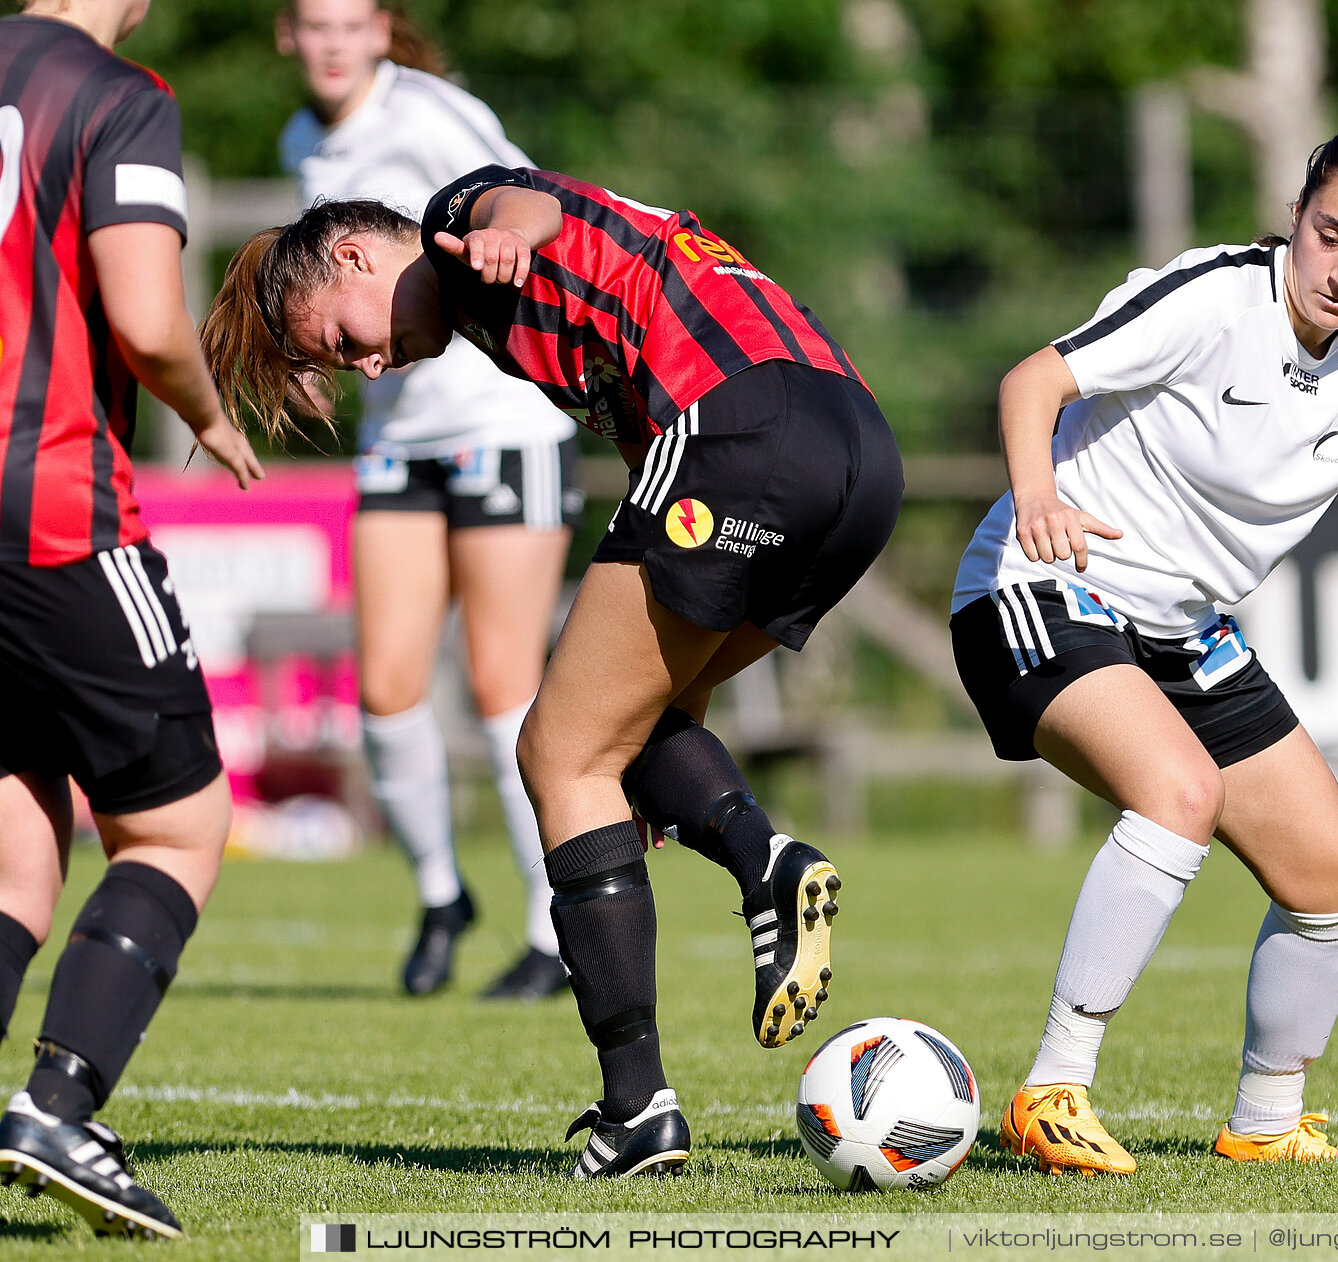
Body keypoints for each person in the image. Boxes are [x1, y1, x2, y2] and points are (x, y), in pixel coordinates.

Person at [201, 164, 901, 1177]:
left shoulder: (455, 230)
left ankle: (641, 1102)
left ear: (357, 255)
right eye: (347, 367)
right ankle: (765, 867)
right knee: (625, 735)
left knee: (555, 751)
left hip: (737, 424)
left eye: (348, 341)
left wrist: (506, 238)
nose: (371, 370)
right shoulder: (505, 333)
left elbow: (522, 207)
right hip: (858, 456)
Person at [950, 126, 1338, 1176]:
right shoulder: (1212, 298)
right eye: (1329, 234)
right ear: (1296, 212)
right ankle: (1053, 1088)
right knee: (1177, 790)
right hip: (1043, 585)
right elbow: (1033, 380)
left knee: (1334, 873)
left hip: (1180, 630)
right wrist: (1036, 492)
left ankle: (1266, 1118)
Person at [0, 0, 264, 1238]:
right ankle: (58, 1107)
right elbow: (151, 320)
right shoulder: (115, 94)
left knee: (14, 840)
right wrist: (210, 413)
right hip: (52, 506)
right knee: (175, 827)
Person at [277, 0, 583, 1000]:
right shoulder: (303, 143)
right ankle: (442, 893)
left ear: (381, 32)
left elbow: (524, 195)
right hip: (396, 438)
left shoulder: (432, 114)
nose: (330, 42)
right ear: (288, 37)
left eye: (349, 23)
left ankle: (552, 923)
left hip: (498, 419)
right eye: (311, 25)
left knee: (504, 685)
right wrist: (319, 353)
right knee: (387, 686)